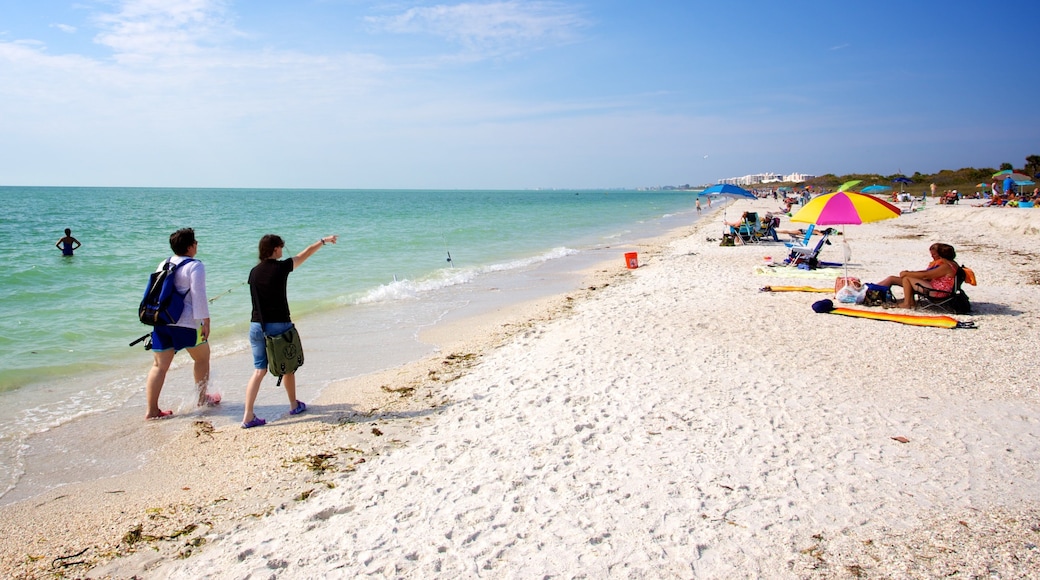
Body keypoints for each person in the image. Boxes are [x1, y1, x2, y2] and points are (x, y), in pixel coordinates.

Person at [242, 233, 338, 429]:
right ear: (275, 249)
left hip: (256, 326)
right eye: (281, 248)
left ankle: (248, 416)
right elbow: (306, 254)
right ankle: (294, 405)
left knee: (259, 370)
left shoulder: (253, 272)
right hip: (278, 326)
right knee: (288, 367)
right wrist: (322, 241)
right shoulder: (281, 267)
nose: (282, 251)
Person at [144, 228, 216, 419]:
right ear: (191, 246)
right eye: (196, 242)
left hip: (161, 321)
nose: (197, 245)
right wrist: (206, 321)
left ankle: (152, 410)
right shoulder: (195, 266)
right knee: (202, 357)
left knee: (159, 366)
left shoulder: (163, 263)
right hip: (187, 324)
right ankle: (202, 399)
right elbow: (199, 296)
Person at [875, 243, 958, 309]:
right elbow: (927, 273)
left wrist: (908, 274)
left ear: (941, 255)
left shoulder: (946, 266)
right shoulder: (950, 264)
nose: (932, 256)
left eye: (934, 255)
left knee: (907, 278)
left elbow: (926, 275)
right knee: (892, 278)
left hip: (938, 292)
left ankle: (907, 303)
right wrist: (910, 273)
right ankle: (871, 290)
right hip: (936, 287)